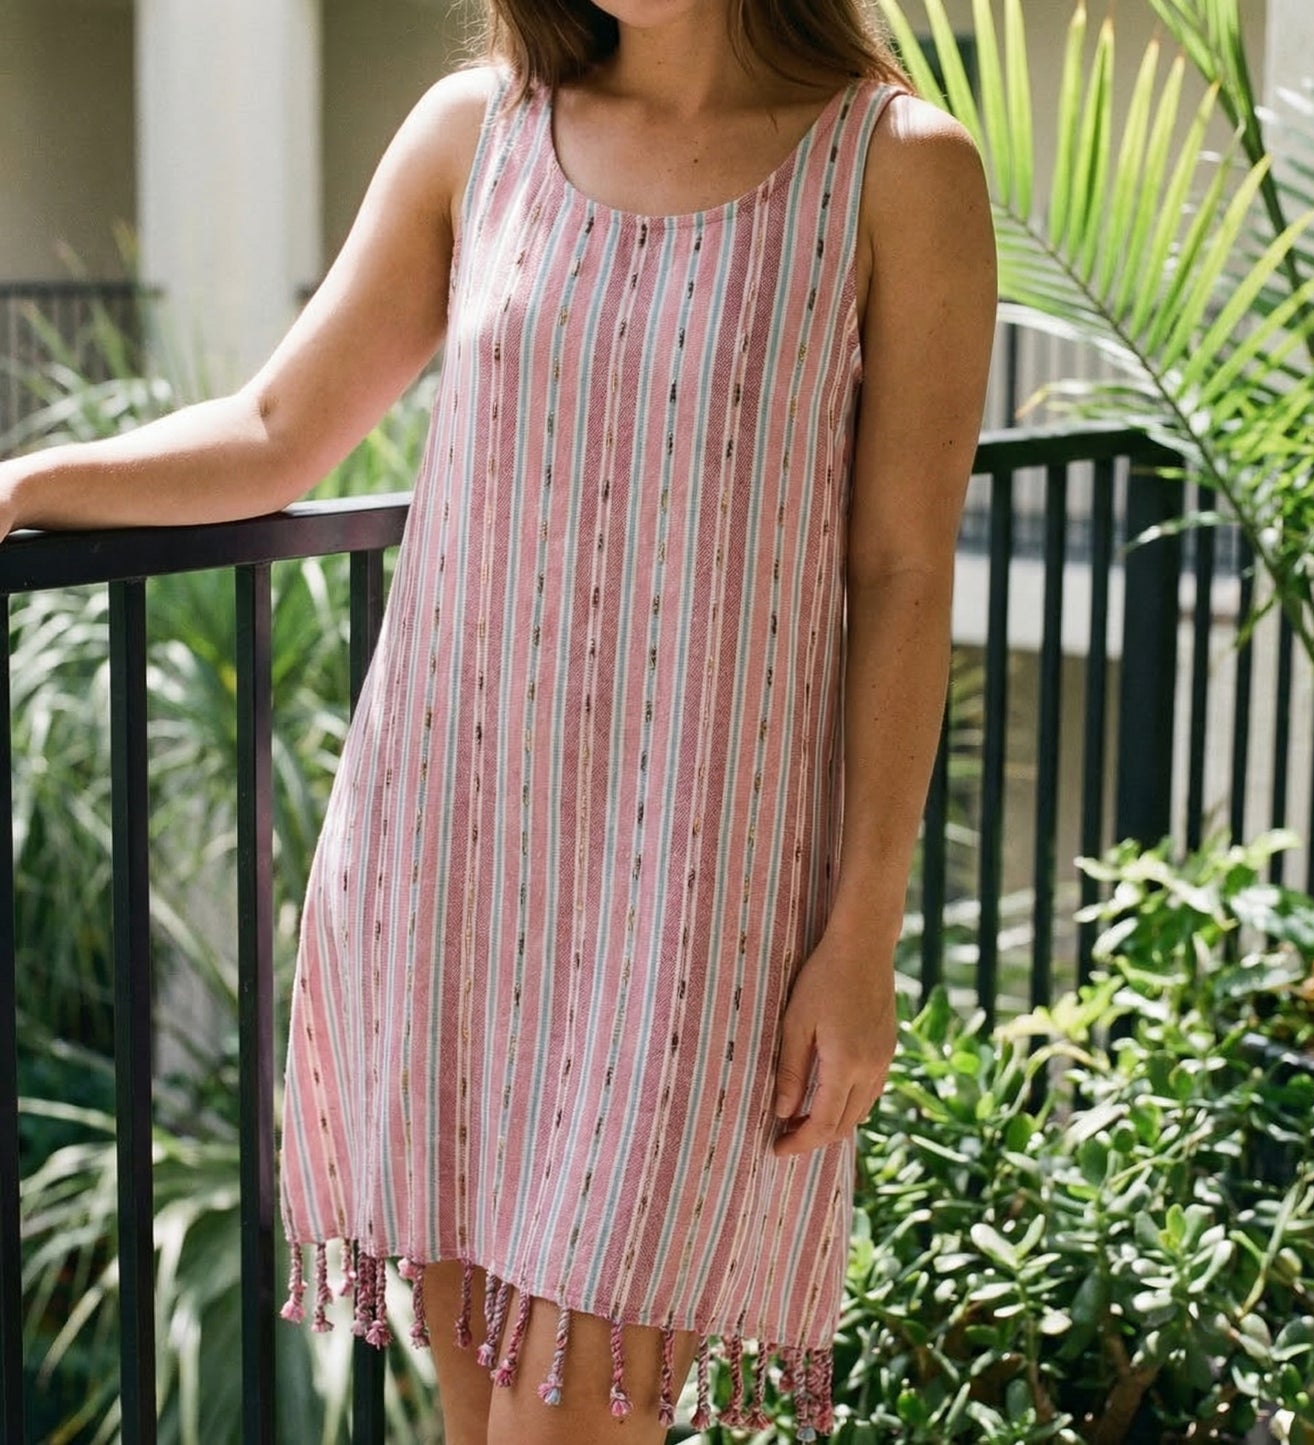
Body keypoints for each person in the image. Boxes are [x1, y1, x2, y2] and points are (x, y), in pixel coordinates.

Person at [0, 0, 995, 1439]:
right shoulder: (476, 136)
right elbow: (282, 427)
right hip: (454, 872)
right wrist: (23, 483)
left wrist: (862, 927)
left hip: (696, 912)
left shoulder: (896, 169)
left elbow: (901, 570)